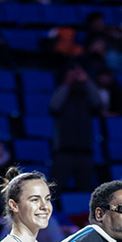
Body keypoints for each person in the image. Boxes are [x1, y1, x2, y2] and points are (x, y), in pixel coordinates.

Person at [49, 63, 101, 192]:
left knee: (87, 191)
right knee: (55, 189)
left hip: (85, 152)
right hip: (63, 151)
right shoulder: (62, 93)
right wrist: (67, 83)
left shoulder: (87, 96)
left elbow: (98, 102)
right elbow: (53, 106)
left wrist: (87, 81)